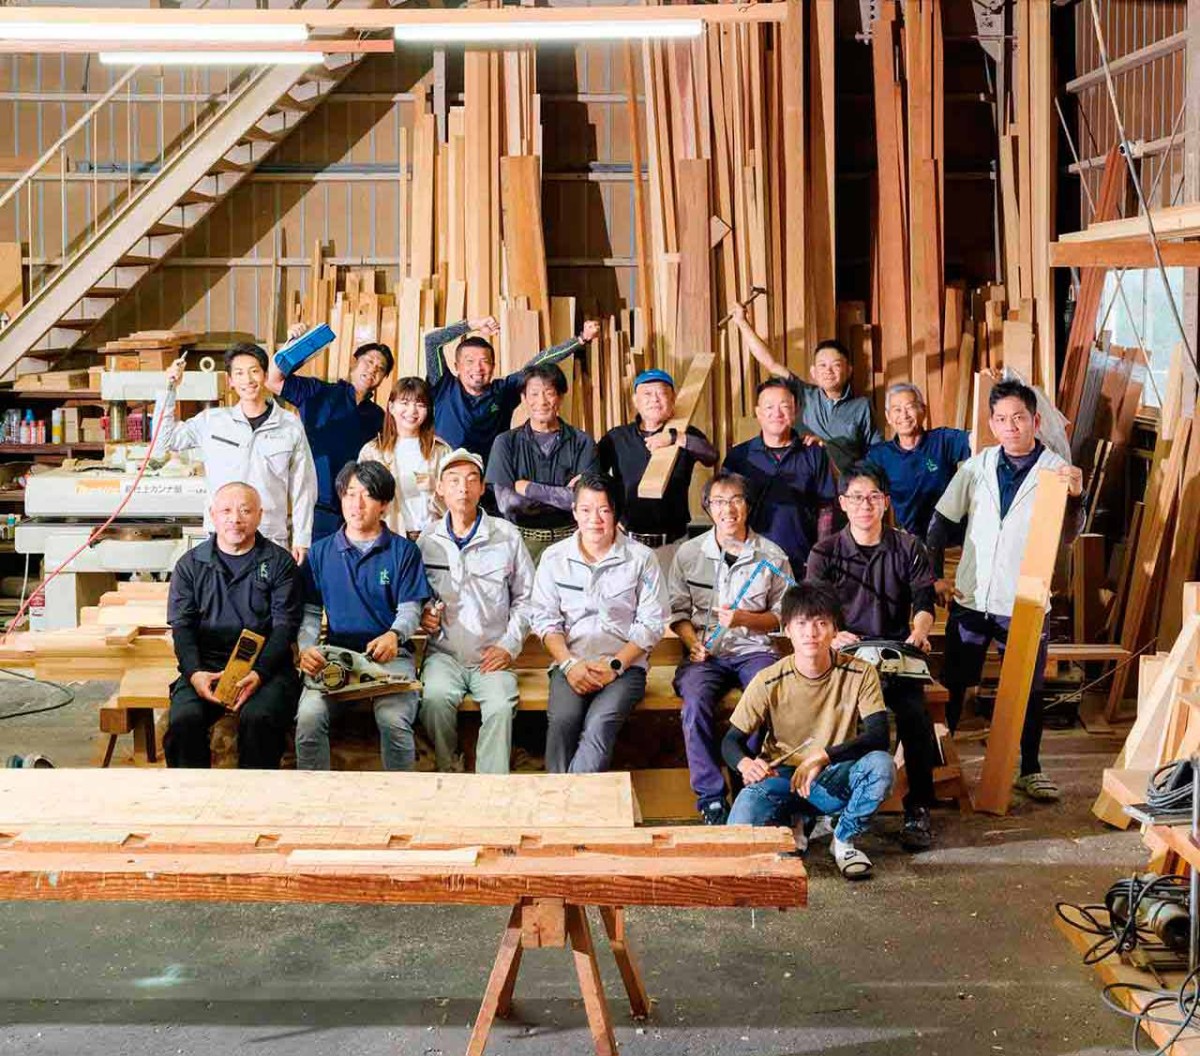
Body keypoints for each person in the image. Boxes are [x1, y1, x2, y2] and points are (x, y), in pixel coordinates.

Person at [927, 379, 1084, 803]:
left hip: (1025, 601)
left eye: (1019, 418)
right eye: (1001, 419)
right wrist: (935, 576)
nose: (1011, 426)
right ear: (992, 424)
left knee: (1027, 690)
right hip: (973, 598)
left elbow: (1070, 534)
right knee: (954, 684)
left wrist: (1076, 497)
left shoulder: (1056, 471)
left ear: (1036, 421)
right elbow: (940, 522)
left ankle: (1030, 769)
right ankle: (941, 769)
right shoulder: (976, 467)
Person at [806, 462, 941, 851]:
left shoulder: (908, 547)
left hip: (895, 652)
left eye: (873, 497)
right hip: (843, 657)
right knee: (834, 716)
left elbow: (924, 601)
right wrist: (833, 634)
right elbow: (813, 608)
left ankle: (918, 808)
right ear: (843, 503)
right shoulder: (825, 551)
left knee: (915, 715)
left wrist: (919, 631)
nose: (865, 505)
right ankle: (832, 802)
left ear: (885, 502)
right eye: (856, 497)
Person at [724, 581, 894, 880]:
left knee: (881, 765)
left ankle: (843, 839)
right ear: (787, 629)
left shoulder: (861, 672)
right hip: (781, 779)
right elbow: (730, 742)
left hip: (832, 776)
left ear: (835, 629)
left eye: (821, 623)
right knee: (735, 845)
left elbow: (879, 736)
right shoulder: (768, 679)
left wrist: (822, 757)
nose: (811, 633)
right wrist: (745, 764)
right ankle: (792, 820)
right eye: (801, 624)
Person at [668, 471, 791, 825]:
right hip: (706, 655)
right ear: (708, 507)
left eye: (736, 500)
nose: (728, 509)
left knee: (761, 697)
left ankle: (747, 785)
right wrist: (692, 644)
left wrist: (744, 619)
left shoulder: (772, 555)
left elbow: (783, 616)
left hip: (755, 650)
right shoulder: (689, 553)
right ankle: (711, 798)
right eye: (719, 501)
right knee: (694, 703)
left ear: (748, 506)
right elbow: (678, 613)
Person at [296, 460, 431, 771]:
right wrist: (306, 648)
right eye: (350, 494)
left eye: (367, 495)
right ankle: (311, 794)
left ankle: (401, 794)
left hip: (391, 657)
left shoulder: (404, 552)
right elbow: (311, 613)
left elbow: (411, 609)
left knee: (393, 719)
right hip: (337, 657)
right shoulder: (320, 553)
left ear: (384, 504)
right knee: (309, 717)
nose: (356, 504)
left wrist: (394, 635)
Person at [530, 474, 667, 773]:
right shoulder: (554, 558)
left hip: (625, 668)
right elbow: (545, 620)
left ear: (615, 512)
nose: (595, 519)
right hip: (571, 664)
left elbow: (652, 623)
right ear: (574, 512)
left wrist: (615, 666)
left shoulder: (641, 559)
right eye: (586, 510)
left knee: (600, 723)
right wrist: (569, 664)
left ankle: (574, 798)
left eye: (604, 510)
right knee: (562, 720)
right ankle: (562, 794)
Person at [164, 482, 304, 769]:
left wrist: (259, 674)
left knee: (259, 719)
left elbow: (285, 628)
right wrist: (195, 674)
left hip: (267, 668)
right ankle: (191, 794)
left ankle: (253, 794)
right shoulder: (190, 565)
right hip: (207, 665)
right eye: (226, 511)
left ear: (260, 515)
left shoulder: (280, 563)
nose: (235, 519)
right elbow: (182, 628)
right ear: (213, 515)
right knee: (184, 722)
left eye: (245, 511)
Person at [417, 449, 535, 773]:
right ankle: (449, 767)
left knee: (500, 706)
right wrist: (425, 614)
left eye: (471, 480)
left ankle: (491, 785)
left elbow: (527, 598)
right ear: (440, 488)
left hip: (492, 654)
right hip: (444, 655)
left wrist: (508, 646)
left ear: (482, 488)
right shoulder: (428, 539)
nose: (463, 489)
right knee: (434, 699)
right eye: (454, 481)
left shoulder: (506, 535)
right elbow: (416, 595)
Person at [153, 344, 316, 563]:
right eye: (239, 373)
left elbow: (304, 486)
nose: (247, 379)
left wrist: (302, 537)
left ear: (265, 375)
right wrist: (169, 390)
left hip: (269, 535)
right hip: (221, 536)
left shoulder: (289, 425)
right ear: (230, 381)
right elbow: (163, 442)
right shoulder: (212, 422)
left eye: (254, 371)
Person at [424, 315, 601, 464]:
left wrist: (581, 339)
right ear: (457, 366)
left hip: (491, 481)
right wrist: (473, 325)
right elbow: (432, 341)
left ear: (493, 366)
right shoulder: (443, 386)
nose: (477, 368)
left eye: (484, 362)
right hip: (447, 479)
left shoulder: (503, 392)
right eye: (469, 361)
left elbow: (540, 362)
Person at [268, 331, 393, 542]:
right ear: (354, 362)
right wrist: (295, 344)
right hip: (316, 506)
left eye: (381, 368)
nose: (373, 369)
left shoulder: (377, 416)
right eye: (369, 361)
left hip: (357, 509)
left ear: (383, 379)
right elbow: (273, 380)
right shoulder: (318, 392)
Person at [730, 305, 882, 474]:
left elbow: (877, 452)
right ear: (813, 372)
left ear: (849, 370)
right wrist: (742, 322)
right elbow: (771, 363)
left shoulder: (862, 407)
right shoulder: (803, 394)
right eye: (822, 365)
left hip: (845, 482)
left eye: (836, 365)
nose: (828, 371)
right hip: (804, 478)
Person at [599, 368, 717, 568]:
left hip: (674, 544)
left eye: (662, 393)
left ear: (673, 399)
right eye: (647, 394)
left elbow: (711, 456)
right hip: (628, 542)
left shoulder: (686, 434)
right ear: (635, 401)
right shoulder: (617, 438)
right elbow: (595, 478)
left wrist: (675, 438)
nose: (654, 399)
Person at [485, 363, 600, 563]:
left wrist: (528, 488)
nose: (542, 401)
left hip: (571, 541)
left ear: (561, 397)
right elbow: (508, 503)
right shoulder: (505, 443)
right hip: (521, 544)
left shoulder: (582, 442)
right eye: (534, 394)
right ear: (523, 398)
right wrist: (564, 494)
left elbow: (586, 501)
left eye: (549, 393)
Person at [722, 377, 837, 573]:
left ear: (795, 411)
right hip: (748, 562)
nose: (777, 413)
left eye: (784, 406)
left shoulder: (814, 453)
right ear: (758, 413)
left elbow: (826, 510)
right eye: (769, 407)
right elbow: (723, 507)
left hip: (801, 563)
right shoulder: (739, 456)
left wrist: (819, 557)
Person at [865, 382, 971, 540]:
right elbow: (863, 489)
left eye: (910, 407)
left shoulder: (943, 440)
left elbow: (977, 440)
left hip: (952, 536)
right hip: (911, 538)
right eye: (897, 409)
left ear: (923, 411)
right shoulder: (880, 455)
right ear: (888, 417)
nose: (904, 415)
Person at [359, 376, 451, 539]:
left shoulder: (441, 451)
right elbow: (361, 500)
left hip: (435, 538)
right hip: (389, 538)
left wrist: (436, 489)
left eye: (420, 405)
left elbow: (457, 504)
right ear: (391, 407)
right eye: (405, 403)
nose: (412, 411)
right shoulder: (372, 451)